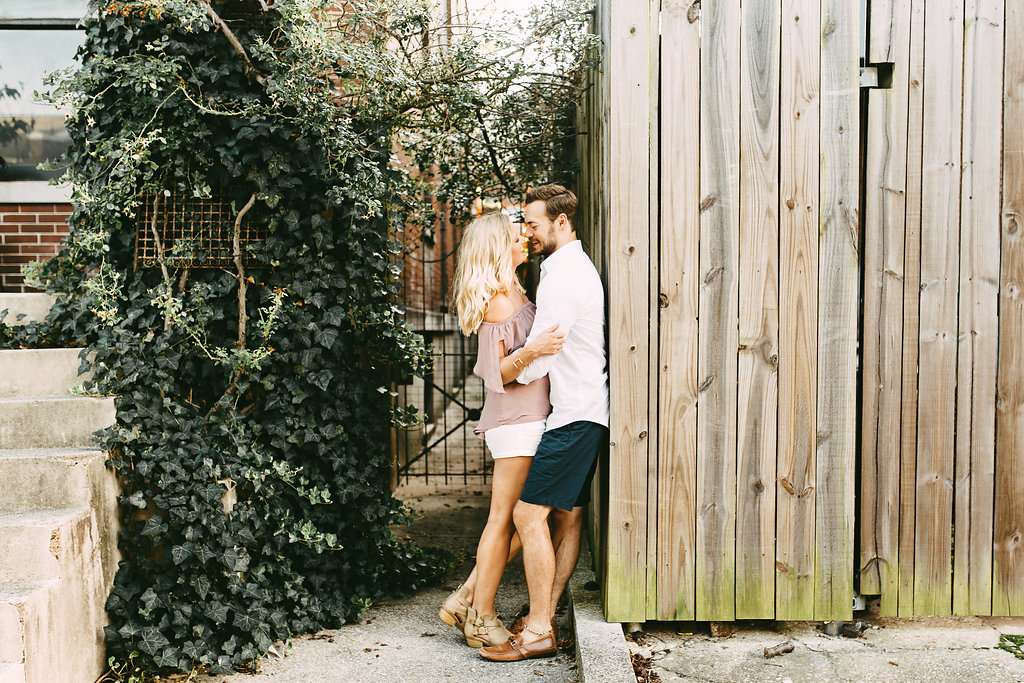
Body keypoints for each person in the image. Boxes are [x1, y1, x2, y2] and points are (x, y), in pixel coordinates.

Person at [479, 184, 609, 662]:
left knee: (525, 515)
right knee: (567, 518)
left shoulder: (562, 275)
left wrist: (509, 362)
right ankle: (544, 617)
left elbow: (539, 355)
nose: (527, 232)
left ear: (561, 222)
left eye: (533, 224)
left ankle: (537, 630)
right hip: (585, 409)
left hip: (573, 413)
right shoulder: (569, 268)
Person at [437, 210, 565, 649]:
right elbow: (497, 373)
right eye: (515, 237)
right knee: (503, 521)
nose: (523, 240)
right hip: (516, 423)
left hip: (529, 420)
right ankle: (480, 616)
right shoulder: (497, 299)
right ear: (497, 247)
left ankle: (466, 600)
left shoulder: (513, 288)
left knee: (522, 519)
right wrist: (534, 350)